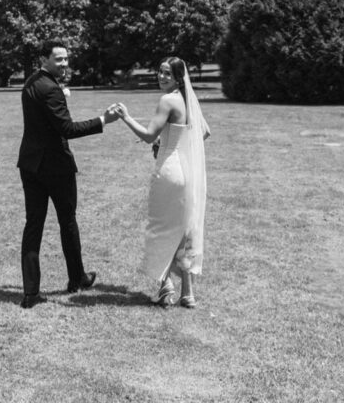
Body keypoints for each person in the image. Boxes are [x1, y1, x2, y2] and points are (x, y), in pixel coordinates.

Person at [17, 39, 119, 309]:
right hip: (55, 168)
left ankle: (31, 293)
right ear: (45, 60)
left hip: (29, 164)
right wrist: (102, 120)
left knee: (33, 224)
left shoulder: (31, 82)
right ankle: (77, 278)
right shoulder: (50, 88)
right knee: (67, 221)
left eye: (65, 59)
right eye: (58, 59)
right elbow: (68, 129)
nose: (64, 63)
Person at [114, 56, 210, 308]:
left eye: (168, 74)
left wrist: (125, 116)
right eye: (160, 72)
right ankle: (187, 292)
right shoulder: (188, 100)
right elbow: (204, 132)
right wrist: (173, 142)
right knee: (184, 230)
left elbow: (147, 135)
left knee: (162, 227)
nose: (161, 77)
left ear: (179, 77)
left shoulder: (168, 100)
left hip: (169, 171)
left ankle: (165, 284)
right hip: (188, 173)